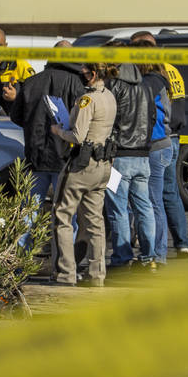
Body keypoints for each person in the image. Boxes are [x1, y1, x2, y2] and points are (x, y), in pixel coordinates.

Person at [7, 40, 87, 248]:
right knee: (66, 217)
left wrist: (32, 125)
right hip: (65, 159)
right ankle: (65, 265)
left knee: (27, 215)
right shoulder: (76, 84)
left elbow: (16, 116)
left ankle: (17, 266)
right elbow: (83, 122)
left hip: (36, 157)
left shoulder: (32, 82)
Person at [49, 62, 118, 286]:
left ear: (93, 73)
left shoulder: (87, 100)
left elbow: (78, 136)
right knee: (95, 221)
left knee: (62, 216)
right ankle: (97, 274)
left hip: (82, 165)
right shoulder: (109, 96)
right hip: (103, 165)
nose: (81, 74)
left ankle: (65, 273)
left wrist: (58, 130)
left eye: (84, 72)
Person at [130, 31, 188, 259]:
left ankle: (156, 252)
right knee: (170, 193)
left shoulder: (148, 76)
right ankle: (182, 243)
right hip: (172, 137)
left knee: (152, 198)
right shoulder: (170, 70)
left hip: (157, 139)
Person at [105, 47, 157, 271]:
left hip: (119, 158)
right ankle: (149, 257)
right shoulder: (145, 87)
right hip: (142, 156)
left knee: (118, 210)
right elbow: (152, 117)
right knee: (144, 208)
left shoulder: (113, 87)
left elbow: (109, 120)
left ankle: (121, 258)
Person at [0, 25, 36, 113]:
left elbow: (36, 95)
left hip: (10, 124)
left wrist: (16, 96)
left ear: (5, 46)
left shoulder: (19, 65)